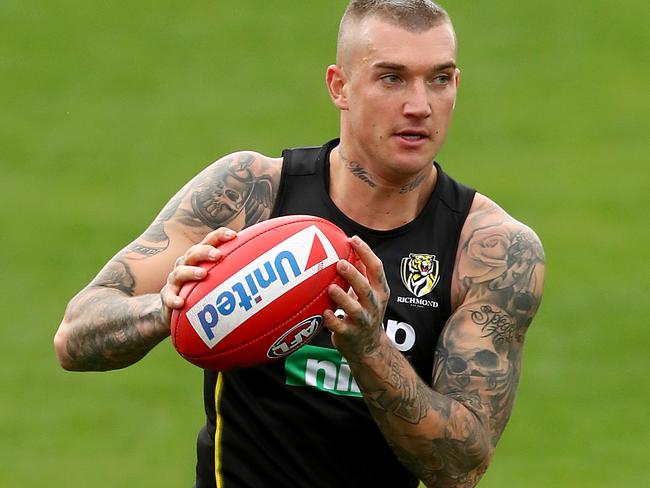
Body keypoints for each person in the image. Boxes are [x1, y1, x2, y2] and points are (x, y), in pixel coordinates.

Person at [54, 1, 545, 486]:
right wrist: (169, 310)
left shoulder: (490, 252)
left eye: (438, 78)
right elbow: (75, 337)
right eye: (391, 78)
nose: (419, 105)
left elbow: (460, 470)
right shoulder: (249, 193)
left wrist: (370, 349)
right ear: (340, 87)